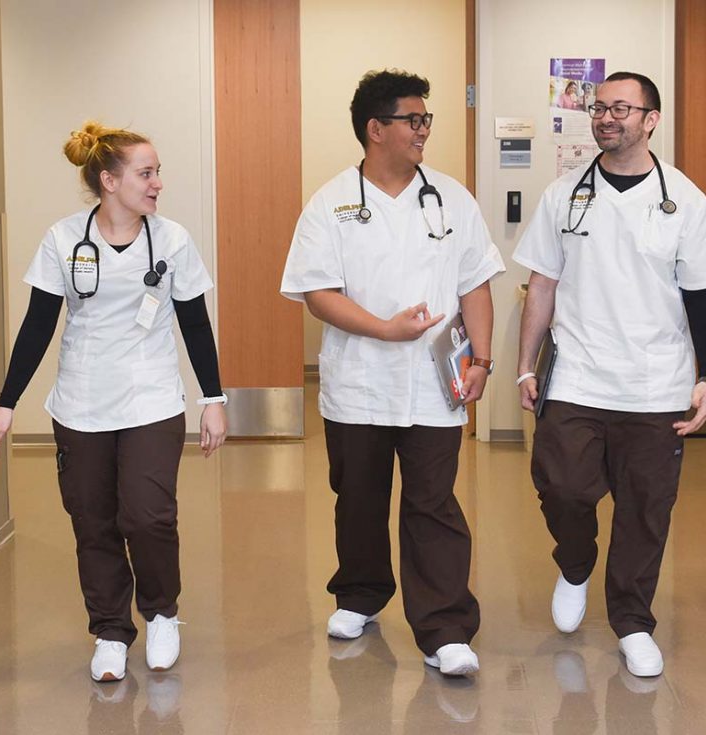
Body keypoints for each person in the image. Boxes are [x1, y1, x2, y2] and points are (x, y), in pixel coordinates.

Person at [0, 122, 228, 682]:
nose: (158, 183)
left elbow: (194, 323)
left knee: (147, 514)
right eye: (147, 173)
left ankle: (163, 613)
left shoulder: (171, 240)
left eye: (157, 171)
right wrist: (7, 402)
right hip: (82, 401)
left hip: (151, 398)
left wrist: (213, 398)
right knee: (92, 520)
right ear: (109, 180)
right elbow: (39, 324)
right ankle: (111, 632)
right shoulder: (64, 239)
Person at [280, 70, 504, 677]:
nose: (424, 129)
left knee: (433, 504)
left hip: (436, 385)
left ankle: (444, 628)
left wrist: (482, 360)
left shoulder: (451, 197)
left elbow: (476, 282)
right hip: (358, 383)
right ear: (375, 129)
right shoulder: (332, 202)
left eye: (426, 119)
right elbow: (316, 292)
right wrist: (384, 329)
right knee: (358, 499)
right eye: (414, 119)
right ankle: (360, 594)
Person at [514, 71, 706, 677]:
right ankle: (576, 563)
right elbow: (542, 285)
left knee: (644, 511)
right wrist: (523, 367)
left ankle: (633, 621)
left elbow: (703, 299)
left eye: (622, 108)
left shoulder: (684, 200)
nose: (607, 117)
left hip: (655, 382)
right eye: (600, 106)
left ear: (651, 119)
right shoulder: (564, 195)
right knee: (560, 487)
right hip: (577, 376)